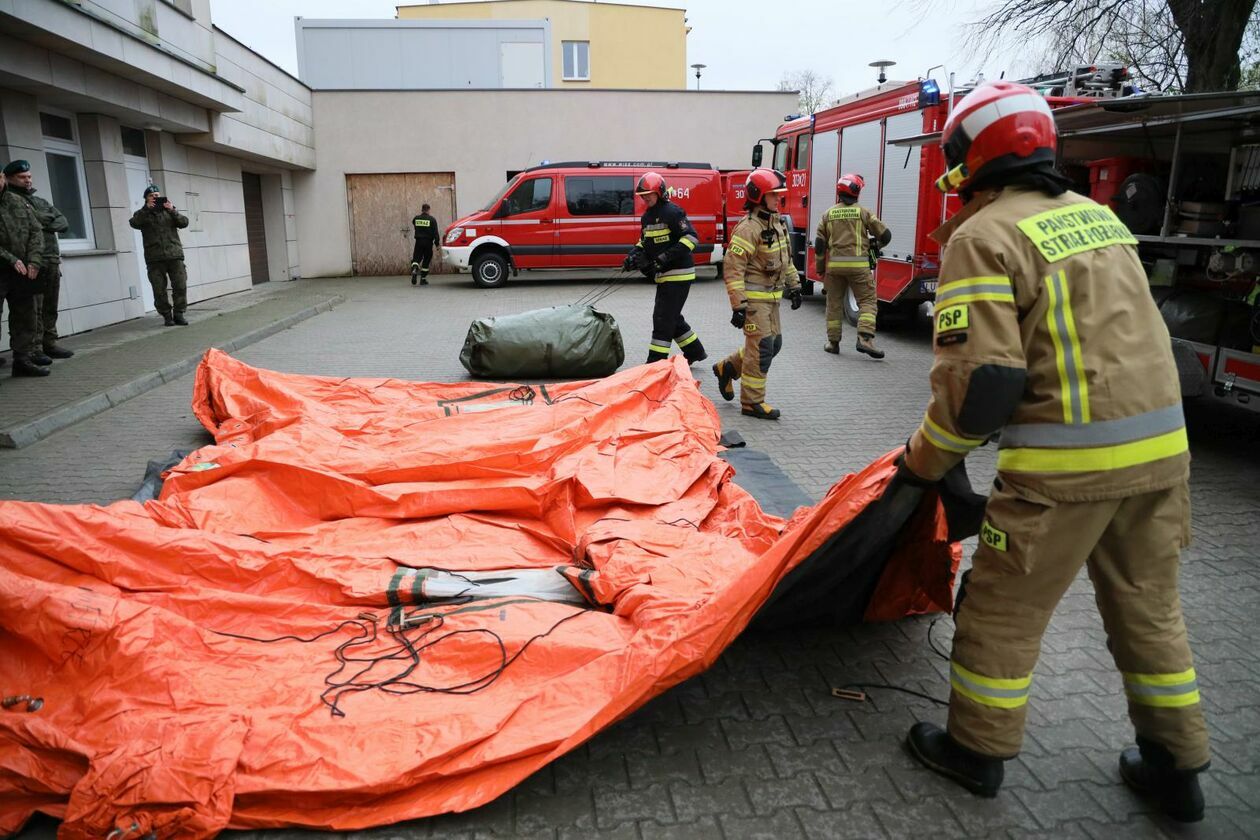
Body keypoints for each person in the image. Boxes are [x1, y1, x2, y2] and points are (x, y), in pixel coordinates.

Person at [896, 81, 1210, 823]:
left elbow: (983, 385)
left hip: (1064, 475)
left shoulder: (983, 235)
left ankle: (974, 751)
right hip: (1162, 459)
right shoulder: (1098, 219)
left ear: (972, 158)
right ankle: (1178, 769)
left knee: (1001, 611)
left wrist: (922, 464)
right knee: (1150, 610)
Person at [711, 168, 802, 420]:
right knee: (761, 349)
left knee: (774, 345)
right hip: (753, 302)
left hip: (772, 299)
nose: (778, 199)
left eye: (778, 195)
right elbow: (733, 269)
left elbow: (787, 259)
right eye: (773, 195)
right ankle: (752, 402)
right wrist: (738, 305)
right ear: (758, 196)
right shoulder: (748, 228)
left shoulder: (777, 222)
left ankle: (727, 368)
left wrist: (794, 285)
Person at [622, 172, 707, 365]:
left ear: (659, 192)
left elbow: (691, 238)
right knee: (672, 317)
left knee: (662, 318)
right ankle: (695, 352)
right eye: (643, 195)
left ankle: (655, 364)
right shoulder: (647, 217)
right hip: (663, 275)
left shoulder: (673, 212)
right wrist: (632, 256)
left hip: (679, 275)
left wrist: (665, 257)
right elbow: (644, 242)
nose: (645, 198)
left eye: (649, 194)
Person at [814, 173, 891, 358]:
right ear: (856, 192)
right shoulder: (863, 213)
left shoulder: (827, 214)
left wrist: (820, 269)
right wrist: (875, 246)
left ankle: (833, 343)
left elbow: (819, 245)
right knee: (868, 302)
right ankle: (864, 338)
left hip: (834, 269)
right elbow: (886, 235)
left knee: (833, 304)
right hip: (859, 268)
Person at [5, 160, 72, 362]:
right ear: (8, 178)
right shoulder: (10, 201)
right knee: (33, 308)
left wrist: (41, 219)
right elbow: (28, 225)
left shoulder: (40, 201)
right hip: (31, 261)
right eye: (22, 177)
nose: (27, 180)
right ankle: (32, 349)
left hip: (51, 259)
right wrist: (45, 220)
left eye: (29, 177)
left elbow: (63, 222)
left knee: (50, 305)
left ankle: (48, 343)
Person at [0, 168, 46, 378]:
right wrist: (11, 258)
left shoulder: (17, 201)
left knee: (25, 315)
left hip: (23, 271)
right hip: (3, 269)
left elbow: (36, 230)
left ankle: (22, 360)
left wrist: (34, 260)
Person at [129, 185, 190, 326]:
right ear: (146, 199)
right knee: (159, 289)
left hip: (175, 256)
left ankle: (179, 314)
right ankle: (167, 316)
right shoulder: (142, 214)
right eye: (151, 196)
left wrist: (172, 210)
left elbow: (184, 222)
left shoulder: (169, 211)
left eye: (157, 195)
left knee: (180, 285)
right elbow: (134, 223)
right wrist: (146, 209)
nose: (155, 197)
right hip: (154, 258)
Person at [411, 203, 440, 286]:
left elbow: (414, 223)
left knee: (416, 258)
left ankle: (415, 269)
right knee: (426, 260)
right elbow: (436, 234)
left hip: (419, 242)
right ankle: (423, 279)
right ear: (428, 210)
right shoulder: (432, 220)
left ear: (422, 210)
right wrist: (437, 244)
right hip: (428, 243)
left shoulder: (416, 219)